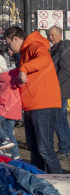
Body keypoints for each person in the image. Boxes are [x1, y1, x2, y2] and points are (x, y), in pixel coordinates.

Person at [4, 25, 62, 174]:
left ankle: (61, 186)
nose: (9, 47)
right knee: (34, 149)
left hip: (44, 105)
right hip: (33, 106)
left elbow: (44, 59)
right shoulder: (24, 53)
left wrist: (24, 69)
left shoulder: (34, 46)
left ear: (15, 39)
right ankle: (39, 180)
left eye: (9, 43)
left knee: (45, 149)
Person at [48, 26, 70, 158]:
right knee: (61, 119)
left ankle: (64, 148)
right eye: (49, 35)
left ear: (60, 35)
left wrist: (53, 85)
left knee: (57, 119)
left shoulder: (64, 49)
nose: (50, 38)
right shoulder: (57, 48)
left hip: (60, 90)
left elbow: (65, 70)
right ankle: (65, 146)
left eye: (53, 35)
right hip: (60, 89)